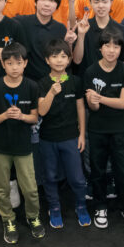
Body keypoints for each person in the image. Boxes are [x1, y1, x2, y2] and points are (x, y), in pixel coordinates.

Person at [0, 43, 44, 244]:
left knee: (30, 189)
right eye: (9, 63)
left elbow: (34, 118)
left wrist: (21, 116)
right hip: (1, 148)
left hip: (23, 147)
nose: (14, 67)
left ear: (25, 63)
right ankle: (8, 220)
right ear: (2, 64)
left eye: (18, 63)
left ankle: (33, 216)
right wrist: (4, 115)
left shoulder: (32, 86)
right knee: (2, 189)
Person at [37, 40, 91, 229]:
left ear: (69, 59)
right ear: (47, 60)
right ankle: (54, 208)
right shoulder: (42, 83)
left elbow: (80, 108)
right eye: (54, 56)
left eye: (63, 56)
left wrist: (82, 134)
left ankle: (81, 206)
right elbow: (41, 111)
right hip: (48, 138)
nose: (59, 60)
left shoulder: (75, 81)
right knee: (50, 177)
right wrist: (51, 92)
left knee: (77, 177)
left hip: (71, 137)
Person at [84, 27, 124, 229]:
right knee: (97, 170)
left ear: (121, 49)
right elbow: (93, 108)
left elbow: (122, 103)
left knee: (123, 170)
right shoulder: (91, 71)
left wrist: (100, 98)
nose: (112, 50)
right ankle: (100, 206)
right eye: (107, 46)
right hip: (97, 129)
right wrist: (93, 101)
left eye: (116, 46)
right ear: (100, 48)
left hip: (121, 129)